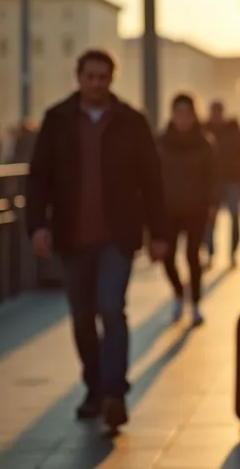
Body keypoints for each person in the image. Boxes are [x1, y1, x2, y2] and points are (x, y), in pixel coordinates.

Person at [26, 49, 171, 431]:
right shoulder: (57, 121)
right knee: (81, 317)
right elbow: (38, 176)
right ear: (79, 77)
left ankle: (113, 393)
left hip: (117, 236)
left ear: (111, 79)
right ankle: (94, 386)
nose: (96, 83)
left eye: (103, 77)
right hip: (72, 235)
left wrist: (159, 233)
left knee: (111, 307)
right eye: (90, 76)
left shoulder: (131, 122)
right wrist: (37, 226)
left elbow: (152, 181)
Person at [156, 93, 220, 325]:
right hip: (168, 211)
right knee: (167, 257)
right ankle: (177, 293)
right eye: (179, 113)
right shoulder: (161, 143)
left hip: (196, 209)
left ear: (194, 116)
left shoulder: (205, 143)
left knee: (193, 256)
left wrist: (213, 205)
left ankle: (195, 303)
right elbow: (151, 178)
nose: (183, 119)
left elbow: (214, 177)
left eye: (187, 114)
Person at [206, 101, 240, 267]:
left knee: (234, 217)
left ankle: (233, 252)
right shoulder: (204, 132)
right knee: (209, 219)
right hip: (212, 183)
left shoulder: (235, 134)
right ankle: (210, 251)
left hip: (232, 181)